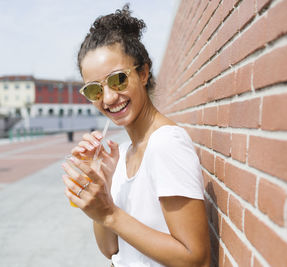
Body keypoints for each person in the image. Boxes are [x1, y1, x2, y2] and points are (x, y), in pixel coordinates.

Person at [62, 5, 210, 267]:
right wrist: (102, 190)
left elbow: (195, 259)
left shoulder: (165, 144)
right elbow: (110, 249)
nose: (108, 98)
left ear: (143, 73)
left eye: (118, 79)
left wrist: (109, 213)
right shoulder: (125, 152)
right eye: (94, 90)